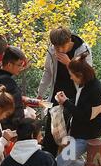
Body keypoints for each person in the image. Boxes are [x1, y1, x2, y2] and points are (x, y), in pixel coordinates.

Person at [37, 26, 93, 156]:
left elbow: (88, 77)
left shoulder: (83, 50)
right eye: (57, 48)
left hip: (75, 96)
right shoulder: (52, 50)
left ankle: (65, 162)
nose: (60, 50)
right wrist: (40, 93)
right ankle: (48, 162)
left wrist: (69, 63)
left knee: (69, 134)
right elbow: (48, 72)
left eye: (63, 47)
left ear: (70, 41)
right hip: (56, 94)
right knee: (51, 132)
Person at [55, 53, 101, 166]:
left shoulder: (96, 91)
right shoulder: (86, 84)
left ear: (80, 75)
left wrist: (66, 103)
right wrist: (67, 100)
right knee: (61, 163)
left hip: (86, 137)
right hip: (77, 133)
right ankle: (85, 165)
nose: (71, 78)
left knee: (59, 164)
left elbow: (84, 116)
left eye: (72, 75)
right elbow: (80, 103)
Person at [0, 46, 26, 130]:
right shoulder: (10, 84)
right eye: (19, 65)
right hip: (8, 130)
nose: (21, 68)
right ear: (9, 64)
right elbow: (17, 111)